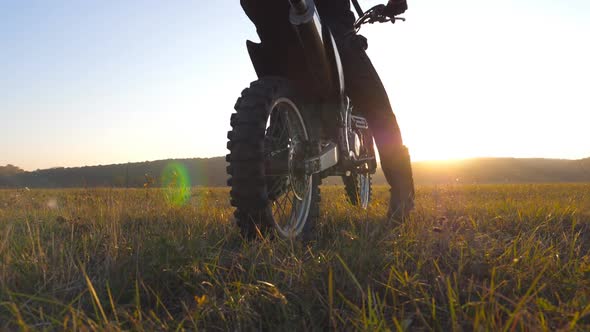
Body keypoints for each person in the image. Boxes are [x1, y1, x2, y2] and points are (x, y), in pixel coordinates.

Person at [240, 0, 415, 220]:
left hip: (270, 18)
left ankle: (263, 180)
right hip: (328, 19)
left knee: (280, 87)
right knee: (377, 106)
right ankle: (403, 194)